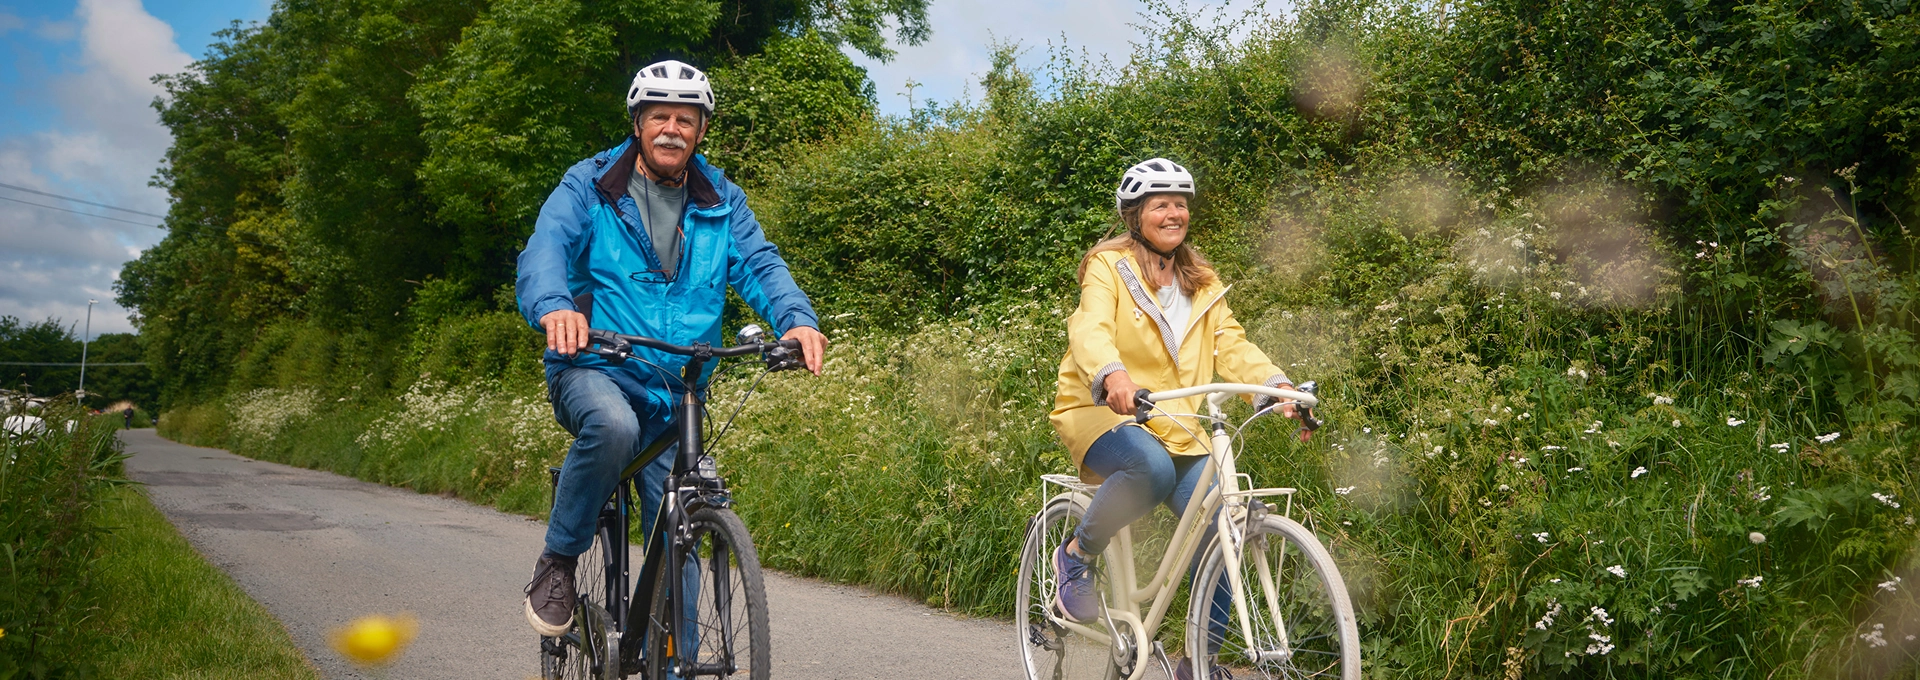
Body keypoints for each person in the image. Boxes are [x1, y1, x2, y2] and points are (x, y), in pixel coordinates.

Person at [515, 59, 827, 638]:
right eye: (659, 115)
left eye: (686, 119)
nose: (671, 129)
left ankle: (678, 666)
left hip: (678, 386)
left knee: (684, 517)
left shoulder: (721, 198)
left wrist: (796, 320)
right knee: (612, 427)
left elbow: (760, 264)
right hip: (595, 367)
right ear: (638, 122)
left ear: (701, 130)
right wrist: (555, 306)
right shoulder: (590, 185)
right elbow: (546, 248)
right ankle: (558, 560)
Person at [1048, 158, 1299, 679]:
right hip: (1102, 410)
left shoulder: (1201, 281)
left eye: (1180, 204)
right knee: (1151, 469)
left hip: (1177, 423)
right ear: (1135, 214)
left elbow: (1232, 345)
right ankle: (1075, 553)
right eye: (1160, 204)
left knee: (1225, 530)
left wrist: (1274, 384)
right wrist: (1112, 374)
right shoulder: (1108, 266)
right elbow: (1090, 328)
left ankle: (1198, 661)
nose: (1173, 213)